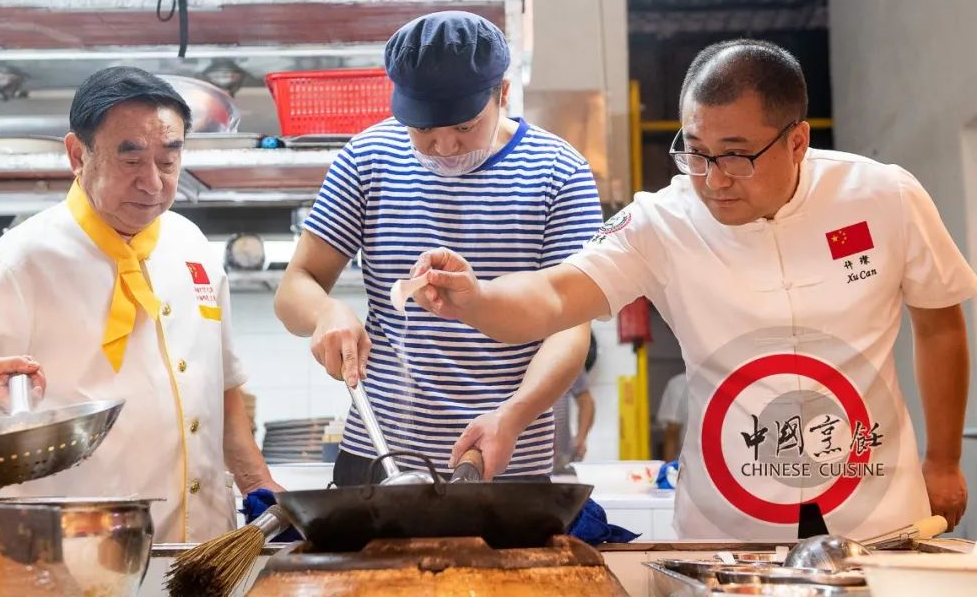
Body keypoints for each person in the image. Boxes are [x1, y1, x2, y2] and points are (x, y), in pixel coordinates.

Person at [408, 39, 977, 540]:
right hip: (728, 529)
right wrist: (478, 300)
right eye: (697, 152)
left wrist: (945, 459)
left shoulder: (883, 196)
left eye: (736, 154)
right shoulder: (662, 221)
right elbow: (556, 298)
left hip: (877, 515)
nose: (714, 178)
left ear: (797, 140)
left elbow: (939, 323)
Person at [0, 67, 281, 542]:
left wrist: (257, 482)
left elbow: (224, 388)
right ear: (77, 154)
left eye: (169, 161)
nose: (152, 183)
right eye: (130, 160)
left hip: (202, 546)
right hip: (76, 551)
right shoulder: (22, 259)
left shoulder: (193, 247)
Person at [274, 11, 602, 483]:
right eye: (423, 130)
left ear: (502, 94)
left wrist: (511, 419)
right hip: (379, 459)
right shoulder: (368, 157)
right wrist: (326, 313)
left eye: (465, 127)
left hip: (505, 460)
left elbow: (570, 327)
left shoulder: (558, 171)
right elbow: (295, 288)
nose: (444, 147)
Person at [553, 332, 597, 472]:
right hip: (514, 459)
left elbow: (585, 399)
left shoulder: (565, 353)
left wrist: (580, 438)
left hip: (560, 459)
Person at [657, 372, 688, 463]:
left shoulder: (678, 384)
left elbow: (672, 434)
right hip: (687, 466)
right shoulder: (678, 384)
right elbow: (672, 433)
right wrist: (669, 471)